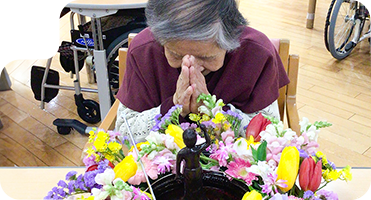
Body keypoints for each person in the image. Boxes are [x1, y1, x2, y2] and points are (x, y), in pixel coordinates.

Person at [115, 0, 290, 142]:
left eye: (206, 58)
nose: (190, 65)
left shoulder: (256, 53)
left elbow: (270, 133)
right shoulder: (144, 51)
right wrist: (173, 107)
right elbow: (124, 132)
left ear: (231, 42)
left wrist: (215, 112)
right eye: (175, 54)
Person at [176, 124, 210, 200]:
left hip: (188, 172)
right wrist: (205, 131)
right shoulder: (197, 149)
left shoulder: (182, 152)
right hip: (197, 170)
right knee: (198, 187)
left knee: (188, 188)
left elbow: (178, 164)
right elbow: (208, 143)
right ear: (196, 139)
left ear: (184, 140)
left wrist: (178, 174)